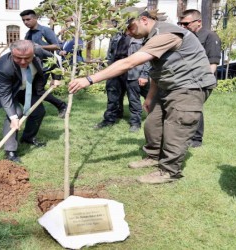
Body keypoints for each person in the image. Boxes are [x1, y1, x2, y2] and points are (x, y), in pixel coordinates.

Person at [68, 7, 216, 184]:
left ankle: (169, 171)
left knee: (176, 127)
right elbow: (157, 69)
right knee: (153, 123)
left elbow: (129, 62)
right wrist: (150, 96)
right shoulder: (152, 36)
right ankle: (153, 156)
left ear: (144, 20)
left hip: (189, 86)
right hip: (168, 85)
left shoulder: (166, 34)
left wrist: (89, 79)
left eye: (131, 28)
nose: (129, 34)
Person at [0, 40, 54, 163]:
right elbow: (5, 94)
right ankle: (10, 151)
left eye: (27, 58)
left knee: (38, 111)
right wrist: (13, 117)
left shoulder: (38, 51)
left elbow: (54, 60)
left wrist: (57, 78)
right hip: (8, 91)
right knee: (16, 114)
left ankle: (28, 138)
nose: (23, 62)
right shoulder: (4, 67)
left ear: (33, 53)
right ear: (12, 54)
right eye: (18, 58)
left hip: (25, 87)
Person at [95, 24, 150, 132]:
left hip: (133, 70)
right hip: (116, 70)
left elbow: (148, 57)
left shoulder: (141, 36)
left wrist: (144, 74)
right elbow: (110, 53)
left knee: (133, 99)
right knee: (112, 97)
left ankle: (135, 123)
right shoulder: (116, 35)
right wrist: (109, 68)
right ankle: (109, 119)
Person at [179, 9, 221, 148]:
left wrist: (204, 83)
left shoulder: (210, 36)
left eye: (186, 23)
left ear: (198, 22)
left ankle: (196, 139)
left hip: (202, 80)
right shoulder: (187, 37)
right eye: (181, 23)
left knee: (195, 106)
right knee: (187, 107)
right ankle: (186, 134)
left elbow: (213, 63)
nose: (183, 26)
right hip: (188, 78)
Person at [20, 9, 68, 118]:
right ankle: (36, 110)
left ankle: (61, 105)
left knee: (38, 90)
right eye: (23, 20)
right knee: (32, 90)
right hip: (34, 66)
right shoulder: (28, 34)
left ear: (35, 18)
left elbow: (57, 46)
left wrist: (39, 47)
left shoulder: (45, 30)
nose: (26, 22)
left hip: (47, 65)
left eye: (28, 19)